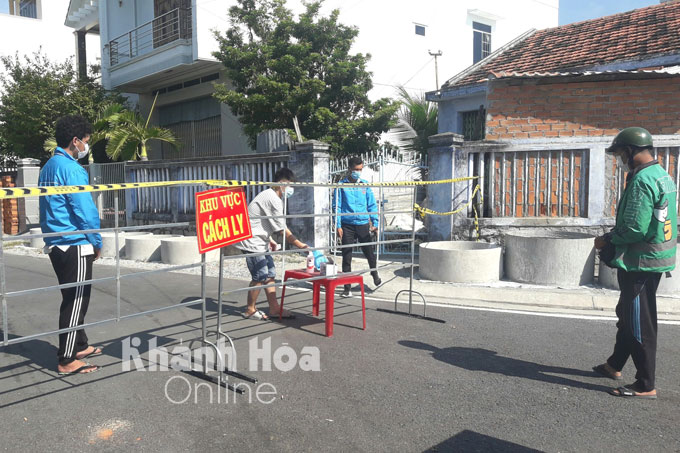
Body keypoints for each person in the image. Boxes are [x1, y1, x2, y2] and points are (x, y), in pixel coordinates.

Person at [593, 127, 677, 399]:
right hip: (656, 257)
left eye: (619, 153)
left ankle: (645, 384)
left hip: (641, 261)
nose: (618, 159)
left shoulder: (641, 181)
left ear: (630, 151)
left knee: (639, 321)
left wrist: (607, 240)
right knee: (628, 314)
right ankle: (614, 364)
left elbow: (634, 229)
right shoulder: (663, 176)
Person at [39, 114, 103, 376]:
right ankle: (67, 359)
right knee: (77, 299)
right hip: (73, 241)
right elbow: (84, 209)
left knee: (73, 297)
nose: (85, 148)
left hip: (56, 242)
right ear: (75, 141)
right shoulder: (72, 169)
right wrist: (96, 240)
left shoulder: (49, 166)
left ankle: (80, 345)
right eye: (85, 142)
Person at [236, 167, 308, 320]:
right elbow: (282, 229)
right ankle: (250, 309)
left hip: (261, 239)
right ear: (281, 183)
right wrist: (300, 245)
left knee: (270, 274)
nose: (290, 188)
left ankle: (274, 308)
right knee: (260, 275)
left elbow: (263, 222)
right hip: (252, 241)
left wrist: (270, 240)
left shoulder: (271, 196)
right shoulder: (272, 198)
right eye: (289, 184)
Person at [333, 156, 381, 297]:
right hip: (347, 225)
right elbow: (337, 206)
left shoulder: (364, 184)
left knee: (369, 252)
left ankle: (374, 272)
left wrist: (375, 222)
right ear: (349, 169)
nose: (358, 172)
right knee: (346, 255)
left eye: (360, 169)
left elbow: (371, 204)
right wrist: (338, 225)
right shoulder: (341, 185)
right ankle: (347, 286)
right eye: (355, 169)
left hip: (362, 223)